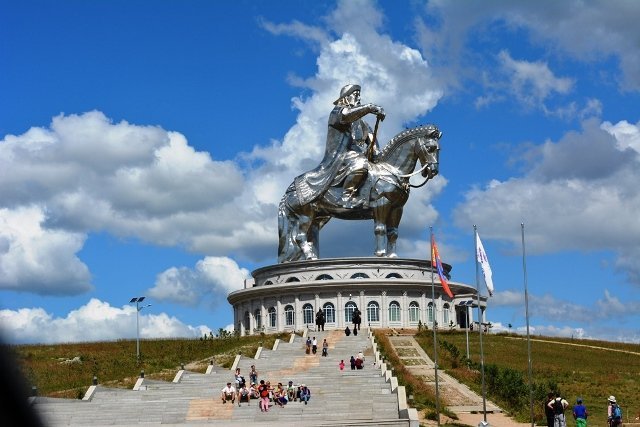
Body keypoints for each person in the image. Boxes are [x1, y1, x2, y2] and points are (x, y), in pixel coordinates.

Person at [292, 84, 385, 209]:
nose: (358, 98)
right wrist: (369, 108)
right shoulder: (337, 112)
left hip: (357, 156)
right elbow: (346, 116)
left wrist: (376, 152)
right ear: (346, 98)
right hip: (341, 156)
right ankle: (347, 197)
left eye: (359, 95)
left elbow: (372, 139)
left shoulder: (363, 124)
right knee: (360, 164)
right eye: (355, 95)